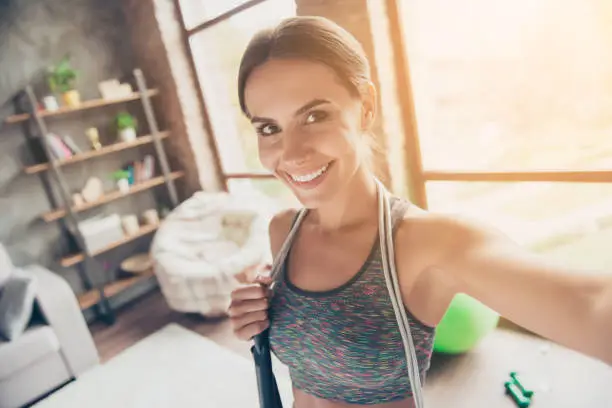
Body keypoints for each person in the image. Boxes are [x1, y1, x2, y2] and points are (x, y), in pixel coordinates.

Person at [228, 15, 612, 408]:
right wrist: (257, 316)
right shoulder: (282, 232)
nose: (290, 154)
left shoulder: (426, 245)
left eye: (314, 116)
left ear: (366, 108)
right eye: (268, 128)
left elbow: (591, 305)